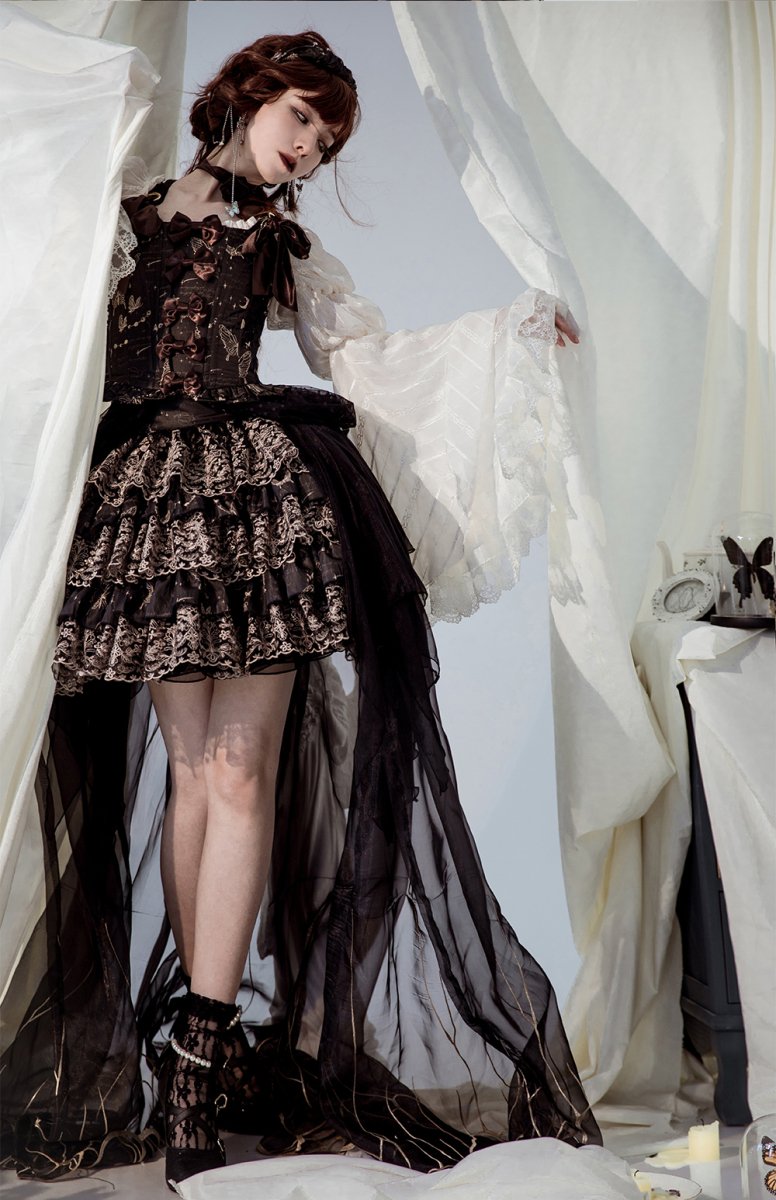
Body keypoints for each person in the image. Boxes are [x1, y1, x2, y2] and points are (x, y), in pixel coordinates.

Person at [0, 30, 597, 1194]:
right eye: (303, 120)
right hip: (150, 510)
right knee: (192, 771)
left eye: (326, 140)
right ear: (248, 94)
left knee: (240, 773)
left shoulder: (282, 244)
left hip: (259, 508)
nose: (310, 150)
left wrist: (507, 333)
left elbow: (368, 358)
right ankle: (199, 1042)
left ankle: (200, 1053)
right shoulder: (116, 222)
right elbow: (42, 341)